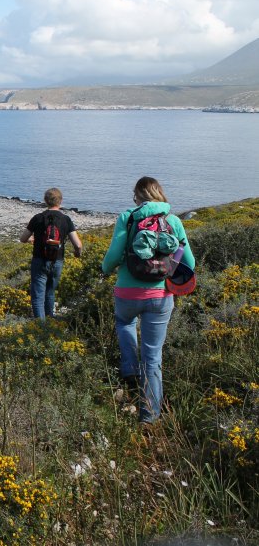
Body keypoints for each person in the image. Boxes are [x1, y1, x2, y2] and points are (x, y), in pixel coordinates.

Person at [101, 176, 195, 424]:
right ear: (159, 194)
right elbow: (190, 263)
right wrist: (167, 271)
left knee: (124, 323)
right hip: (160, 296)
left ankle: (129, 369)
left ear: (137, 196)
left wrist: (105, 268)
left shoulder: (128, 217)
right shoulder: (173, 221)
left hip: (127, 292)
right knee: (153, 356)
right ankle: (149, 417)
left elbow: (113, 255)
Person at [20, 187, 83, 319]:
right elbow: (78, 244)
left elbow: (23, 239)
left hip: (39, 260)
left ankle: (41, 328)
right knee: (50, 293)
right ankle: (50, 322)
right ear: (60, 201)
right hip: (57, 261)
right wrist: (78, 254)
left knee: (37, 297)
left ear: (45, 201)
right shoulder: (66, 219)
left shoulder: (37, 218)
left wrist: (32, 239)